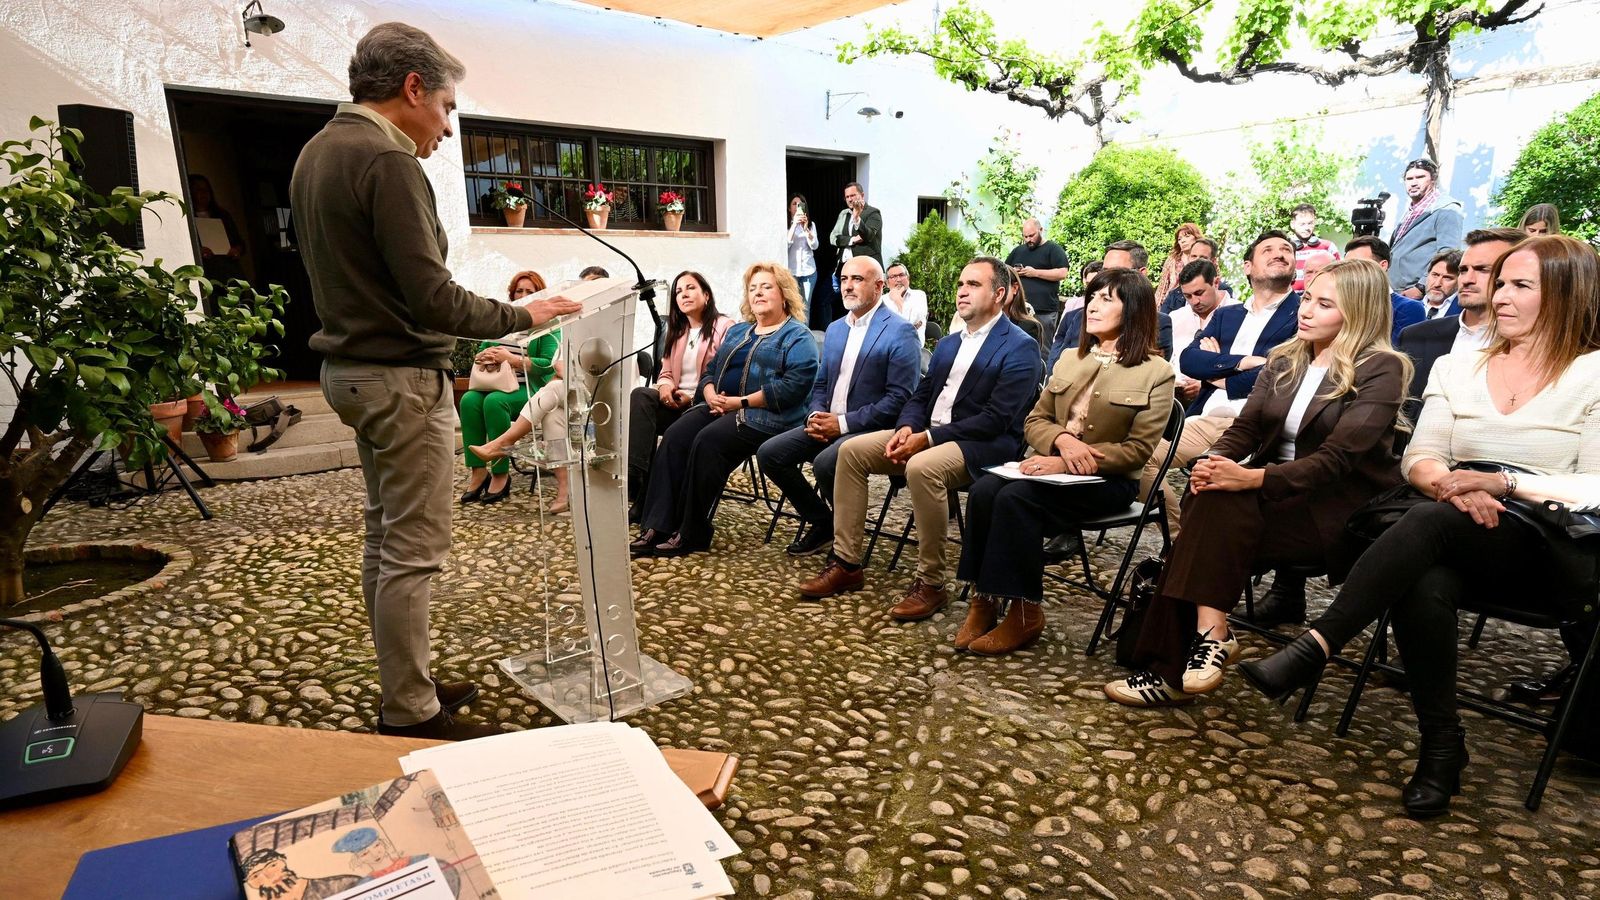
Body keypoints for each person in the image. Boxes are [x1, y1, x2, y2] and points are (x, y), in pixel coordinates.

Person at [1239, 235, 1600, 818]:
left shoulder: (1593, 373)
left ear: (1566, 294)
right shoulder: (1460, 366)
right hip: (1452, 521)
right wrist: (1453, 486)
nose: (1498, 295)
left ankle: (1318, 645)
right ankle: (1441, 746)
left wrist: (1503, 484)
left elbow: (1594, 486)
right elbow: (1421, 457)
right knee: (1426, 576)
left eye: (1520, 285)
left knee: (1427, 532)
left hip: (1550, 545)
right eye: (1500, 283)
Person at [292, 22, 581, 740]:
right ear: (413, 88)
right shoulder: (387, 159)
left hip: (351, 372)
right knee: (412, 551)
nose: (449, 128)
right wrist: (525, 314)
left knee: (384, 540)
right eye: (448, 108)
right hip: (397, 378)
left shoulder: (318, 151)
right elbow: (433, 299)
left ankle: (408, 682)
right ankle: (410, 710)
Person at [1105, 258, 1411, 707]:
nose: (1306, 310)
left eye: (1325, 304)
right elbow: (1245, 429)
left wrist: (1247, 477)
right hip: (1268, 498)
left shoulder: (1382, 368)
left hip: (1333, 511)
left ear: (1359, 313)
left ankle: (1172, 668)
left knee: (1202, 531)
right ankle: (1210, 637)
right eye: (1307, 298)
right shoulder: (1287, 357)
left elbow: (1337, 460)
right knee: (1212, 501)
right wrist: (1212, 461)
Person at [799, 257, 1042, 619]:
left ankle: (931, 583)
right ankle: (846, 563)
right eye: (961, 284)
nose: (962, 291)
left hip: (981, 445)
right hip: (927, 433)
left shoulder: (1020, 346)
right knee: (851, 451)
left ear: (1000, 294)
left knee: (922, 468)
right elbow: (920, 395)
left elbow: (996, 419)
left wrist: (927, 438)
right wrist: (906, 427)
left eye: (974, 284)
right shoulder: (949, 343)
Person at [956, 268, 1175, 655]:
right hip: (1053, 473)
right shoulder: (1072, 360)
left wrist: (1064, 462)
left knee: (1015, 499)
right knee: (985, 490)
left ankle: (1025, 611)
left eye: (1107, 299)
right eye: (1092, 297)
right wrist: (1060, 441)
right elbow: (1035, 421)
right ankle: (983, 598)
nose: (1092, 306)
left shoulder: (1156, 373)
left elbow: (1138, 450)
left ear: (1134, 309)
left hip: (1109, 481)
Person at [631, 263, 819, 557]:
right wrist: (709, 394)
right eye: (753, 288)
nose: (758, 293)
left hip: (767, 416)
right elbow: (711, 371)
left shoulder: (797, 336)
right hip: (720, 406)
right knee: (676, 435)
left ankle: (692, 531)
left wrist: (740, 402)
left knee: (708, 442)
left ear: (784, 294)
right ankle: (657, 525)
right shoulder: (740, 331)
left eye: (766, 287)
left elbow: (794, 386)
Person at [1140, 232, 1300, 549]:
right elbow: (1190, 360)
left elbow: (1283, 374)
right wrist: (1242, 362)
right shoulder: (1228, 315)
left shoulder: (1302, 314)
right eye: (1268, 249)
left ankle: (1189, 554)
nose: (1280, 253)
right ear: (1247, 267)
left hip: (1256, 426)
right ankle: (1179, 542)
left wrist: (1218, 373)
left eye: (1286, 249)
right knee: (1136, 459)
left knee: (1206, 483)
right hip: (1206, 418)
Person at [758, 256, 922, 557]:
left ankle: (847, 545)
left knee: (826, 462)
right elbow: (821, 383)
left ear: (879, 286)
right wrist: (816, 415)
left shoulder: (900, 331)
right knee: (770, 454)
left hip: (869, 429)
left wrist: (842, 424)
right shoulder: (835, 329)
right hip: (828, 423)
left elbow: (899, 398)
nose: (847, 286)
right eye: (844, 279)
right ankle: (824, 522)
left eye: (857, 279)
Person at [626, 271, 733, 512]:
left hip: (703, 406)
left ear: (706, 295)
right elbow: (665, 372)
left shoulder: (725, 327)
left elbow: (726, 374)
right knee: (641, 396)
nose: (683, 294)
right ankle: (636, 473)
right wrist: (665, 387)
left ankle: (643, 498)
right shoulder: (676, 330)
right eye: (678, 291)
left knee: (668, 434)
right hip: (675, 403)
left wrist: (693, 397)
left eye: (690, 288)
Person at [458, 270, 559, 505]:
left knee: (495, 402)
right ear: (511, 294)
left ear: (539, 294)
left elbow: (548, 364)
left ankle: (500, 474)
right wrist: (484, 355)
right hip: (494, 384)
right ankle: (478, 471)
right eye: (518, 291)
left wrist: (513, 360)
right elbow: (482, 347)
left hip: (529, 390)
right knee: (469, 400)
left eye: (529, 291)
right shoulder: (503, 320)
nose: (522, 295)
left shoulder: (548, 324)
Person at [1048, 243, 1173, 369]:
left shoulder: (1158, 324)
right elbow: (1060, 366)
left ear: (1141, 273)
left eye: (1117, 271)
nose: (1107, 277)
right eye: (1104, 271)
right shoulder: (1082, 316)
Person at [1388, 158, 1464, 298]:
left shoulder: (1447, 209)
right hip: (1395, 291)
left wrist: (1421, 287)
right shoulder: (1412, 210)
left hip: (1415, 292)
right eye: (1409, 179)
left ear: (1433, 180)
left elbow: (1448, 254)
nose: (1414, 183)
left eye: (1420, 177)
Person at [1168, 259, 1238, 406]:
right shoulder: (1176, 317)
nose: (1194, 301)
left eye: (1199, 293)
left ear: (1216, 283)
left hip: (1220, 401)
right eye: (1188, 296)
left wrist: (1206, 384)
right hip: (1174, 400)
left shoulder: (1240, 314)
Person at [1344, 236, 1428, 344]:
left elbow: (1397, 352)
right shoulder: (1339, 302)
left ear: (1383, 265)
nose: (1349, 271)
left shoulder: (1408, 308)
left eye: (1359, 264)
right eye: (1345, 265)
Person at [1006, 217, 1071, 358]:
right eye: (1025, 236)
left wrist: (1035, 272)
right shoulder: (1018, 251)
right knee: (1014, 346)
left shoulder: (1053, 249)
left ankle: (1044, 372)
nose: (1028, 239)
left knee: (1043, 349)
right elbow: (1005, 271)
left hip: (1044, 310)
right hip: (1019, 309)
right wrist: (1014, 272)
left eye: (1031, 235)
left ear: (1041, 230)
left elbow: (1062, 273)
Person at [188, 173, 246, 282]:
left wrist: (236, 250)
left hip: (230, 271)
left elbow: (239, 242)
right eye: (198, 189)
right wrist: (198, 251)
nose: (204, 193)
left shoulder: (222, 215)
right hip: (206, 274)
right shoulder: (187, 219)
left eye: (206, 189)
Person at [830, 181, 883, 277]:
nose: (849, 199)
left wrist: (856, 218)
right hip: (843, 268)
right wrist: (852, 240)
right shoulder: (844, 214)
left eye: (852, 195)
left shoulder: (873, 213)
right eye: (847, 197)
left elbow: (868, 236)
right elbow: (834, 238)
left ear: (862, 195)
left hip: (865, 269)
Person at [1289, 203, 1342, 292]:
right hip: (1292, 297)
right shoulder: (1286, 248)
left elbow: (1340, 274)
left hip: (1320, 295)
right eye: (1302, 224)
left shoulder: (1328, 247)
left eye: (1310, 223)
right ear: (1292, 224)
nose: (1306, 228)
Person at [787, 193, 819, 316]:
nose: (797, 206)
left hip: (809, 271)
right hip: (792, 272)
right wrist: (794, 225)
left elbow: (815, 246)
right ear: (789, 208)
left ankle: (804, 328)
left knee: (805, 307)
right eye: (794, 204)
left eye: (800, 204)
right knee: (792, 306)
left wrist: (806, 229)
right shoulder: (786, 225)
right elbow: (786, 245)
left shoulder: (811, 225)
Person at [1156, 223, 1204, 300]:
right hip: (1172, 303)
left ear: (1196, 238)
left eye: (1187, 236)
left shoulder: (1205, 258)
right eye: (1179, 239)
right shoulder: (1172, 260)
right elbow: (1161, 289)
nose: (1183, 241)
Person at [883, 261, 929, 335]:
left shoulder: (919, 295)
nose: (898, 279)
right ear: (887, 283)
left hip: (914, 341)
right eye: (893, 277)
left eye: (901, 275)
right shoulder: (882, 301)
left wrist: (897, 299)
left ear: (908, 278)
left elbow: (908, 327)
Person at [1421, 249, 1462, 320]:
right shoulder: (1408, 306)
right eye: (1435, 275)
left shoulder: (1466, 311)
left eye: (1447, 278)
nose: (1437, 284)